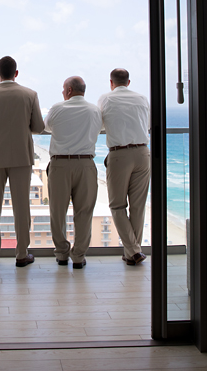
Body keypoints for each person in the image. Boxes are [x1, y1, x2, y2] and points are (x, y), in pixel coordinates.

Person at [0, 56, 45, 268]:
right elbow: (39, 127)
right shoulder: (30, 95)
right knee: (22, 207)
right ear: (16, 73)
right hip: (21, 156)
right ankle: (22, 254)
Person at [43, 76, 102, 269]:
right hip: (85, 164)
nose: (62, 92)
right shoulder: (95, 110)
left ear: (69, 90)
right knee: (84, 212)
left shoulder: (58, 108)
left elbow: (46, 127)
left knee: (57, 212)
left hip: (60, 164)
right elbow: (100, 129)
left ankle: (61, 253)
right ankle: (78, 256)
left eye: (62, 89)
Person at [97, 68, 151, 265]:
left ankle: (134, 251)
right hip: (143, 152)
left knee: (117, 205)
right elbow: (149, 124)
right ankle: (132, 253)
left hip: (120, 154)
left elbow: (100, 125)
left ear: (111, 83)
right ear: (129, 82)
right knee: (138, 206)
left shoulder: (106, 99)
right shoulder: (142, 98)